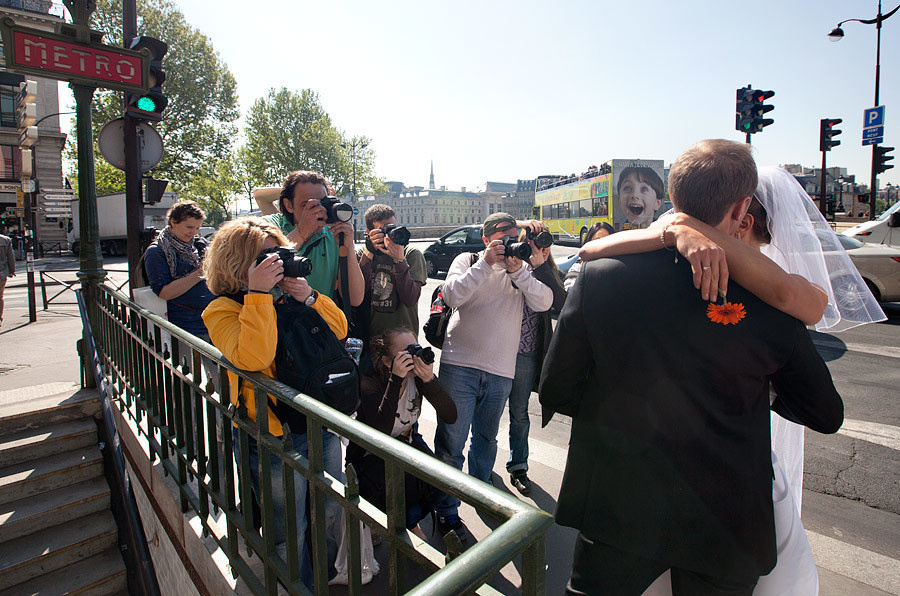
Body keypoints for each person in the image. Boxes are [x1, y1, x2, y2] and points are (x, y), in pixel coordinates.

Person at [540, 139, 845, 595]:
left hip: (618, 507)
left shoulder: (601, 279)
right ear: (743, 207)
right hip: (724, 525)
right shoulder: (771, 304)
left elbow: (556, 389)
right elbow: (825, 413)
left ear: (674, 200)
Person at [201, 217, 348, 590]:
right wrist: (258, 295)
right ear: (238, 262)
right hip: (271, 435)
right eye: (264, 257)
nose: (276, 262)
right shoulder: (222, 309)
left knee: (329, 509)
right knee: (289, 525)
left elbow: (340, 330)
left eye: (278, 253)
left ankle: (325, 576)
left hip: (317, 423)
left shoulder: (290, 295)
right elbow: (253, 357)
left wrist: (309, 297)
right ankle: (295, 585)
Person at [433, 212, 553, 540]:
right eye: (504, 235)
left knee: (486, 440)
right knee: (451, 443)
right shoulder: (468, 259)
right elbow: (452, 295)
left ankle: (481, 492)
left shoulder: (521, 269)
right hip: (460, 366)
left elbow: (545, 303)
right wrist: (485, 264)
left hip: (501, 371)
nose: (512, 240)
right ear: (487, 239)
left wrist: (521, 275)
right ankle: (446, 511)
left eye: (515, 234)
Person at [348, 327, 457, 536]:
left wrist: (429, 380)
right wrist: (395, 379)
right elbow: (380, 433)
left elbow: (450, 415)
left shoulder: (415, 378)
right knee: (401, 492)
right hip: (370, 455)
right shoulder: (369, 383)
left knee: (438, 483)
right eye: (408, 352)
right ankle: (391, 522)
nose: (415, 356)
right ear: (389, 361)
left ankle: (405, 520)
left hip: (404, 443)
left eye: (416, 348)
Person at [506, 227, 567, 495]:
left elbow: (561, 303)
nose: (535, 247)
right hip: (498, 348)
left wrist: (542, 266)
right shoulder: (510, 263)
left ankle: (519, 466)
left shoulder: (547, 270)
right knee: (485, 411)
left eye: (541, 243)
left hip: (526, 353)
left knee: (519, 413)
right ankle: (479, 469)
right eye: (530, 242)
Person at [267, 170, 364, 308]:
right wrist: (301, 232)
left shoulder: (333, 233)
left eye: (321, 204)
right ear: (289, 205)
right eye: (307, 205)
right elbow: (263, 266)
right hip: (276, 323)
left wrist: (348, 246)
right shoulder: (270, 227)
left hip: (319, 322)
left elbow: (354, 299)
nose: (317, 211)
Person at [356, 204, 427, 371]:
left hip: (404, 342)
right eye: (383, 230)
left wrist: (399, 260)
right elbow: (357, 294)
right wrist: (369, 252)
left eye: (392, 228)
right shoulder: (363, 255)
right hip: (372, 340)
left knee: (405, 393)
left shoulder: (411, 253)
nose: (390, 235)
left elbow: (410, 298)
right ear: (369, 233)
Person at [143, 201, 214, 341]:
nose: (193, 232)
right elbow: (164, 292)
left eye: (197, 228)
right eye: (189, 227)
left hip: (210, 320)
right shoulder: (156, 252)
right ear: (173, 222)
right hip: (183, 325)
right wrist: (200, 272)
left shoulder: (198, 245)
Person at [564, 221, 614, 292]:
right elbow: (570, 290)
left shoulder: (620, 267)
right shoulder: (578, 267)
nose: (603, 246)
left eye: (607, 241)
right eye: (597, 241)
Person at [0, 231, 15, 330]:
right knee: (0, 296)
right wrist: (11, 271)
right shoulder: (5, 240)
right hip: (1, 271)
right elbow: (10, 257)